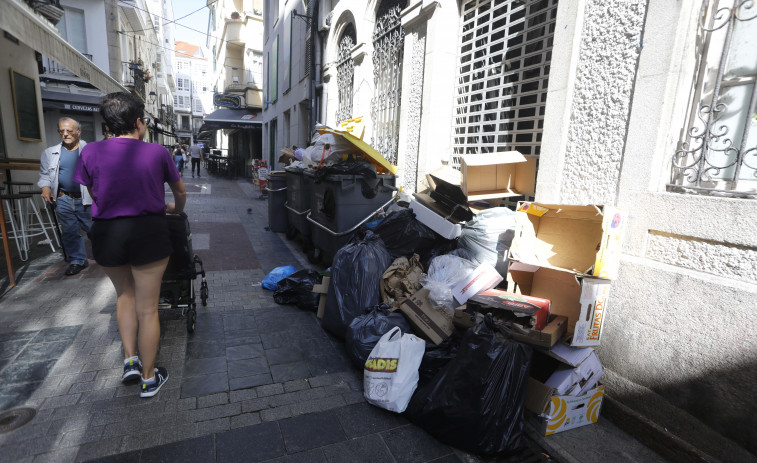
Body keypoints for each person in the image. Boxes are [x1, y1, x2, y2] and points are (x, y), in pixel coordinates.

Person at [74, 92, 186, 398]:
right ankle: (149, 380)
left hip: (107, 232)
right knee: (148, 308)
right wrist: (174, 209)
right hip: (148, 230)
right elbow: (180, 191)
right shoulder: (157, 153)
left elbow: (93, 192)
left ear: (109, 124)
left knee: (123, 296)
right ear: (138, 122)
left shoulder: (90, 152)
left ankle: (130, 361)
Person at [38, 117, 93, 276]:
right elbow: (45, 174)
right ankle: (78, 260)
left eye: (69, 130)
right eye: (62, 131)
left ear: (78, 132)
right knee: (69, 231)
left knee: (94, 229)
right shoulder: (50, 152)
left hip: (87, 198)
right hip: (63, 198)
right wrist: (45, 187)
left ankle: (107, 255)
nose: (65, 134)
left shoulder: (90, 150)